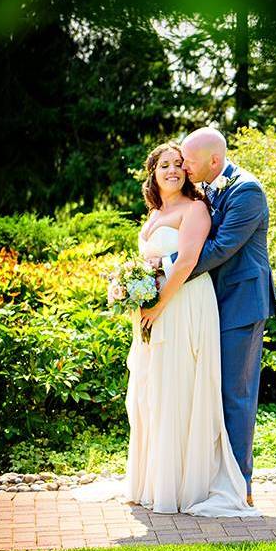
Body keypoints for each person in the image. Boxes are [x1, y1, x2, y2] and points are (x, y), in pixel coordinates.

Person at [72, 141, 260, 517]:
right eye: (165, 165)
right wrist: (128, 290)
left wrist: (157, 303)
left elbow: (189, 259)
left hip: (183, 304)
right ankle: (157, 481)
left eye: (179, 164)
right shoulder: (154, 213)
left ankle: (188, 486)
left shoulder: (196, 208)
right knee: (154, 391)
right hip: (156, 312)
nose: (174, 170)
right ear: (153, 173)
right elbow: (151, 263)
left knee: (181, 388)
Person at [150, 127, 276, 506]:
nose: (184, 168)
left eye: (188, 161)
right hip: (211, 303)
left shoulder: (247, 191)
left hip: (242, 304)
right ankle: (208, 477)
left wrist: (165, 270)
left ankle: (240, 488)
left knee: (234, 395)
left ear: (214, 161)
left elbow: (221, 247)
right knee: (207, 391)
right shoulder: (208, 188)